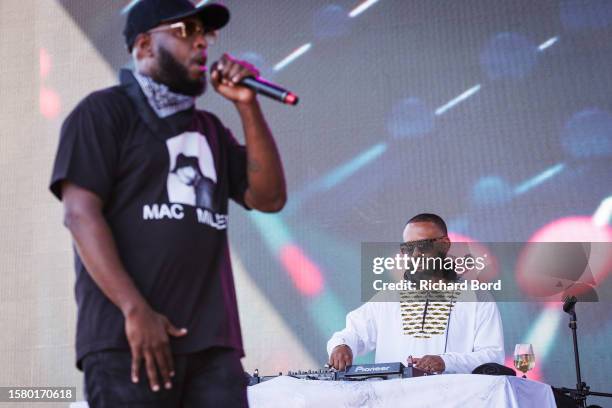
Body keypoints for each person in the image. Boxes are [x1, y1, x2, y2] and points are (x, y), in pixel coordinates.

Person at [49, 1, 286, 406]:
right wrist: (134, 308)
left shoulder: (208, 128)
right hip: (129, 339)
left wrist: (247, 105)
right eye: (184, 31)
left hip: (213, 344)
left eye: (203, 34)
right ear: (143, 46)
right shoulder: (103, 112)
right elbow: (79, 215)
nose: (200, 43)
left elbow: (268, 198)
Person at [327, 213, 504, 374]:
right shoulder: (389, 297)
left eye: (423, 246)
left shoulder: (477, 298)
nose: (416, 255)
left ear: (444, 245)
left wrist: (446, 362)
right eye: (408, 249)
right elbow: (353, 333)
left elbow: (492, 356)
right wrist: (342, 346)